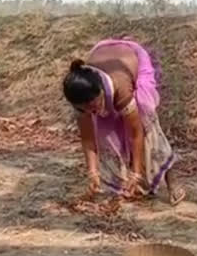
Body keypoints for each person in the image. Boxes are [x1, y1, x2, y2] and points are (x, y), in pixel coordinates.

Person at [62, 39, 186, 205]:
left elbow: (136, 134)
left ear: (100, 92)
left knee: (146, 126)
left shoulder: (121, 88)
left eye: (93, 106)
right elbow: (88, 139)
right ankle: (126, 183)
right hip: (102, 55)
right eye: (86, 109)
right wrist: (93, 172)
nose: (91, 112)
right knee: (105, 134)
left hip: (131, 63)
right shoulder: (81, 100)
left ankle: (170, 176)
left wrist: (136, 172)